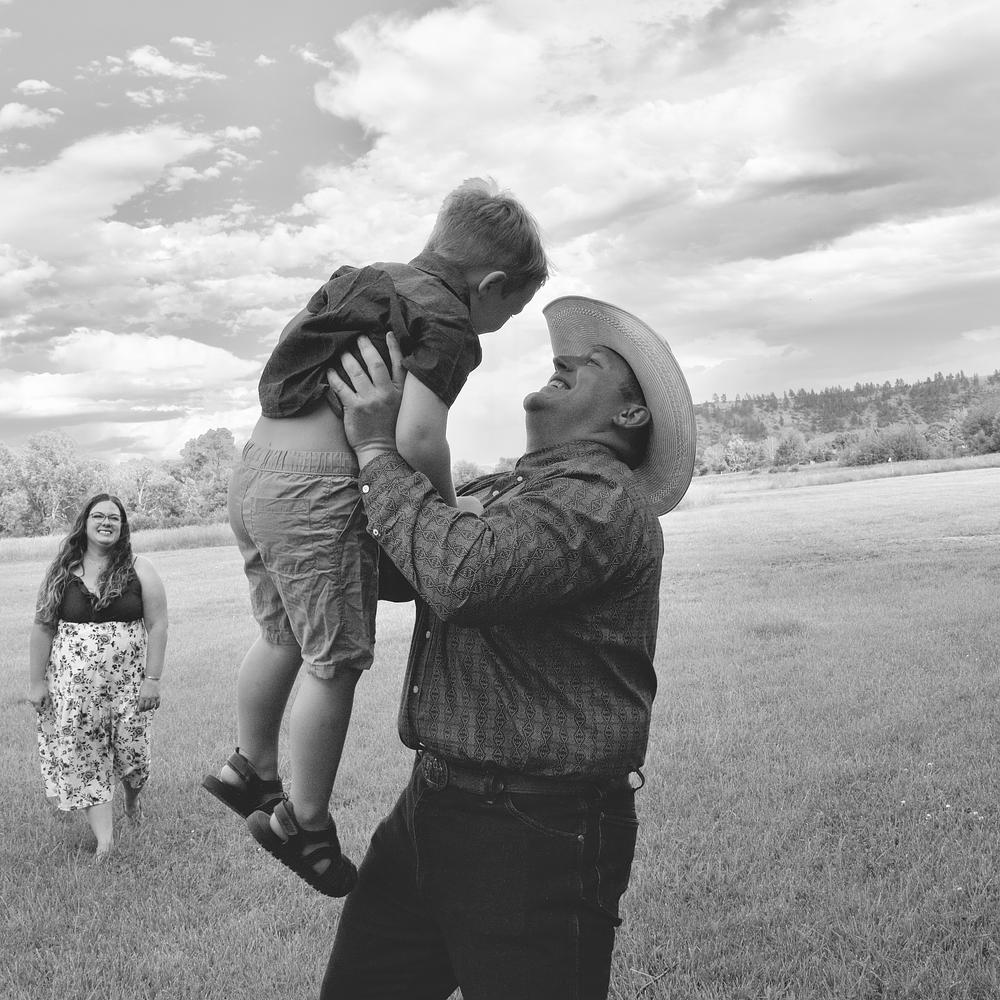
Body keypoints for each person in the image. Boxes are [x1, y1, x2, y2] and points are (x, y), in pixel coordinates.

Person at [316, 295, 697, 999]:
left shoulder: (602, 498)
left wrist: (375, 449)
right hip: (432, 806)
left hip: (535, 830)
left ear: (630, 415)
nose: (566, 360)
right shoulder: (505, 488)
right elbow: (412, 568)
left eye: (594, 362)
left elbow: (463, 576)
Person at [202, 178, 548, 897]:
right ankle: (302, 823)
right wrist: (447, 512)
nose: (498, 325)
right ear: (490, 285)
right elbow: (418, 437)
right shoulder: (447, 322)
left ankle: (249, 767)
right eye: (509, 312)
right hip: (317, 488)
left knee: (281, 634)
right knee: (336, 661)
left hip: (256, 471)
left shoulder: (361, 280)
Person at [27, 494, 168, 858]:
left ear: (123, 526)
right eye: (98, 516)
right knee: (86, 756)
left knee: (134, 756)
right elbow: (43, 627)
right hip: (75, 690)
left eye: (114, 518)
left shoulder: (140, 568)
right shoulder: (62, 571)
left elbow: (158, 624)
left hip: (128, 685)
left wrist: (152, 679)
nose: (106, 522)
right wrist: (37, 681)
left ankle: (132, 799)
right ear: (85, 523)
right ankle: (105, 841)